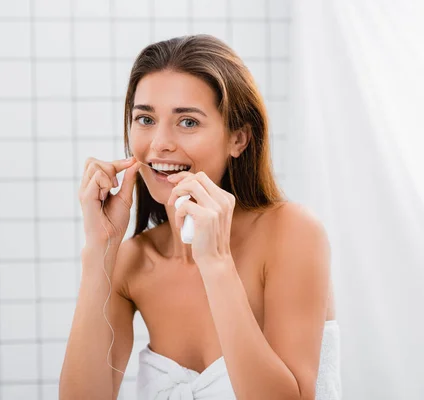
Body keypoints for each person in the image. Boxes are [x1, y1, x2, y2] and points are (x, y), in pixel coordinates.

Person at [60, 34, 340, 399]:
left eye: (188, 122)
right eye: (145, 118)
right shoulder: (131, 262)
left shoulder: (292, 233)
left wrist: (216, 262)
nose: (159, 142)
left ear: (238, 139)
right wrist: (99, 250)